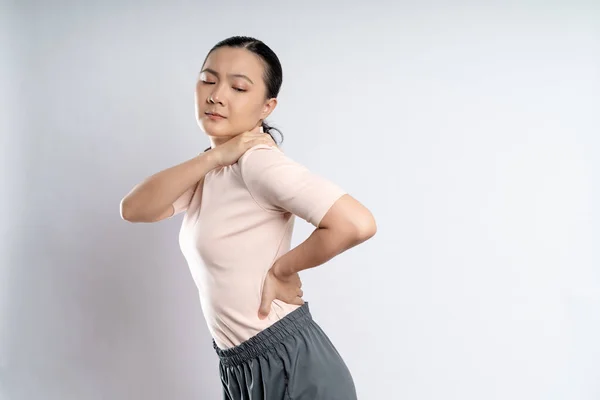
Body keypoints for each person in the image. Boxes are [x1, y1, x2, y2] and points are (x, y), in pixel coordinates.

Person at [120, 36, 376, 400]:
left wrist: (283, 270)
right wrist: (212, 158)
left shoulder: (257, 162)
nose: (217, 95)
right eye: (208, 80)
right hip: (240, 365)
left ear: (266, 106)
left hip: (289, 363)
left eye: (238, 87)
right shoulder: (215, 169)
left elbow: (357, 223)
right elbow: (134, 209)